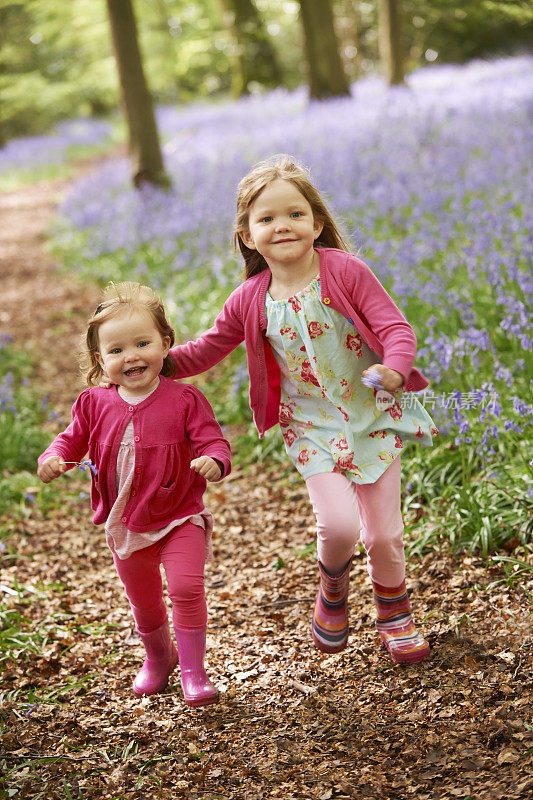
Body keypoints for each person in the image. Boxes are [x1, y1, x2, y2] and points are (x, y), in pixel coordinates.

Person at [168, 155, 439, 665]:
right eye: (266, 218)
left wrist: (396, 370)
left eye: (294, 214)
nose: (282, 226)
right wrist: (153, 364)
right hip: (309, 427)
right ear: (247, 235)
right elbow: (204, 350)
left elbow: (396, 330)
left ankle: (393, 612)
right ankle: (333, 585)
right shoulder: (249, 299)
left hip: (371, 416)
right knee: (339, 527)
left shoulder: (345, 271)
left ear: (316, 223)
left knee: (383, 534)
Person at [37, 282, 231, 706]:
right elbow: (70, 440)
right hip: (125, 523)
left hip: (180, 516)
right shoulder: (93, 403)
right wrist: (53, 456)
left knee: (186, 588)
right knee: (143, 601)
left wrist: (214, 462)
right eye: (117, 350)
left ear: (165, 344)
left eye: (143, 343)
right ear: (100, 360)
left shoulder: (185, 399)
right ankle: (159, 657)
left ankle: (194, 671)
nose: (132, 356)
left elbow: (213, 441)